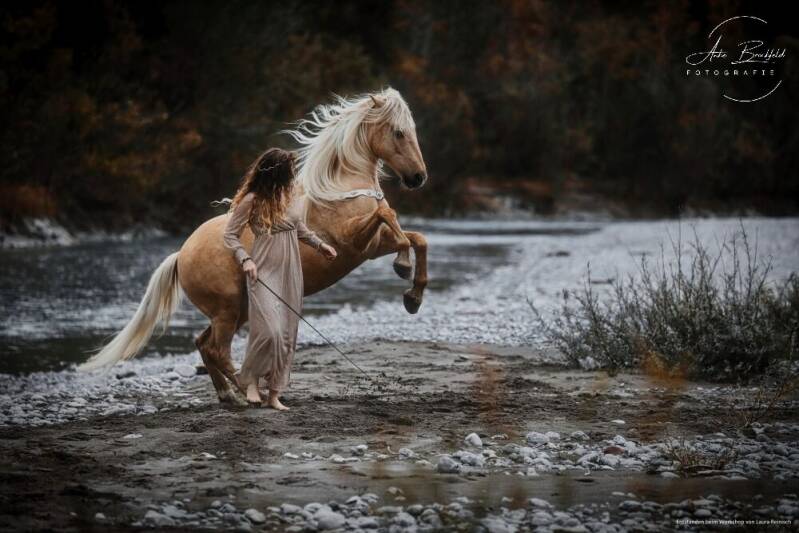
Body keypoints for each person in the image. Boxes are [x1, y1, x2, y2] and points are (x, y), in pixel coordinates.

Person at [223, 148, 337, 409]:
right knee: (269, 331)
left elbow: (298, 228)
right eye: (289, 171)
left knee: (286, 335)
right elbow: (229, 235)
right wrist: (245, 259)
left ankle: (274, 393)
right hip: (263, 268)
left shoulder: (292, 195)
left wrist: (321, 245)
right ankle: (249, 381)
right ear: (275, 173)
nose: (293, 175)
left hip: (291, 271)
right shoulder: (251, 200)